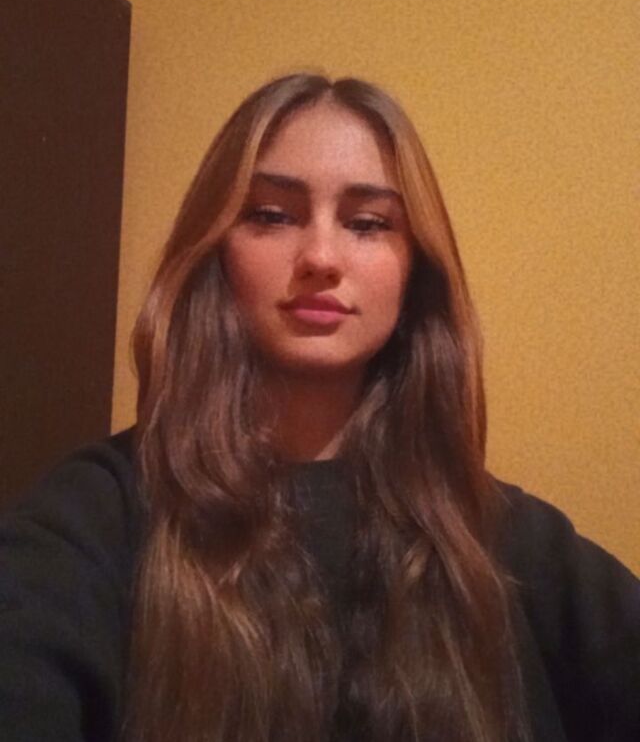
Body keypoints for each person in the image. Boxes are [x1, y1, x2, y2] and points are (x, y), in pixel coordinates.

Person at [0, 73, 638, 742]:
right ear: (215, 249)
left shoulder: (507, 540)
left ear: (414, 269)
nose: (321, 258)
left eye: (368, 223)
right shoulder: (100, 515)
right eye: (272, 215)